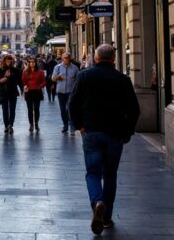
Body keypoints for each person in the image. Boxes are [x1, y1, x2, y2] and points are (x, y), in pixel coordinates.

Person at [69, 43, 140, 235]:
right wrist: (127, 132)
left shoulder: (84, 76)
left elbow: (72, 104)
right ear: (114, 59)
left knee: (92, 173)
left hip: (91, 132)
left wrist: (79, 126)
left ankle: (97, 202)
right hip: (115, 134)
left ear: (96, 58)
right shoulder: (123, 79)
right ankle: (107, 217)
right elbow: (134, 109)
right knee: (110, 174)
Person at [0, 54, 22, 134]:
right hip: (3, 92)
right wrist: (4, 78)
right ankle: (6, 126)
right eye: (7, 60)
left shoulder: (16, 70)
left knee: (12, 110)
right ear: (4, 61)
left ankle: (11, 125)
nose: (8, 62)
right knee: (5, 110)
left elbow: (19, 81)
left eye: (10, 60)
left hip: (13, 92)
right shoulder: (0, 70)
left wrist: (23, 90)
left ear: (12, 61)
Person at [53, 52, 80, 134]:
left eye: (67, 58)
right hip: (60, 91)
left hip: (70, 91)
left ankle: (72, 126)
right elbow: (53, 78)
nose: (66, 59)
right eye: (64, 58)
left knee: (70, 109)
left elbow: (78, 79)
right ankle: (65, 125)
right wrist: (57, 77)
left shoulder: (75, 68)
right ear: (62, 59)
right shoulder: (57, 67)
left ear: (70, 59)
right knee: (62, 110)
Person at [22, 56, 46, 132]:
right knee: (29, 109)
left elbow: (44, 82)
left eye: (33, 62)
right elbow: (23, 81)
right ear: (28, 63)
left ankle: (36, 123)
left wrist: (40, 86)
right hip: (29, 92)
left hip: (37, 91)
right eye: (30, 62)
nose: (32, 63)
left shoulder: (40, 72)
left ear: (35, 63)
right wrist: (25, 86)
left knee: (36, 109)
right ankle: (31, 124)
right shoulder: (25, 71)